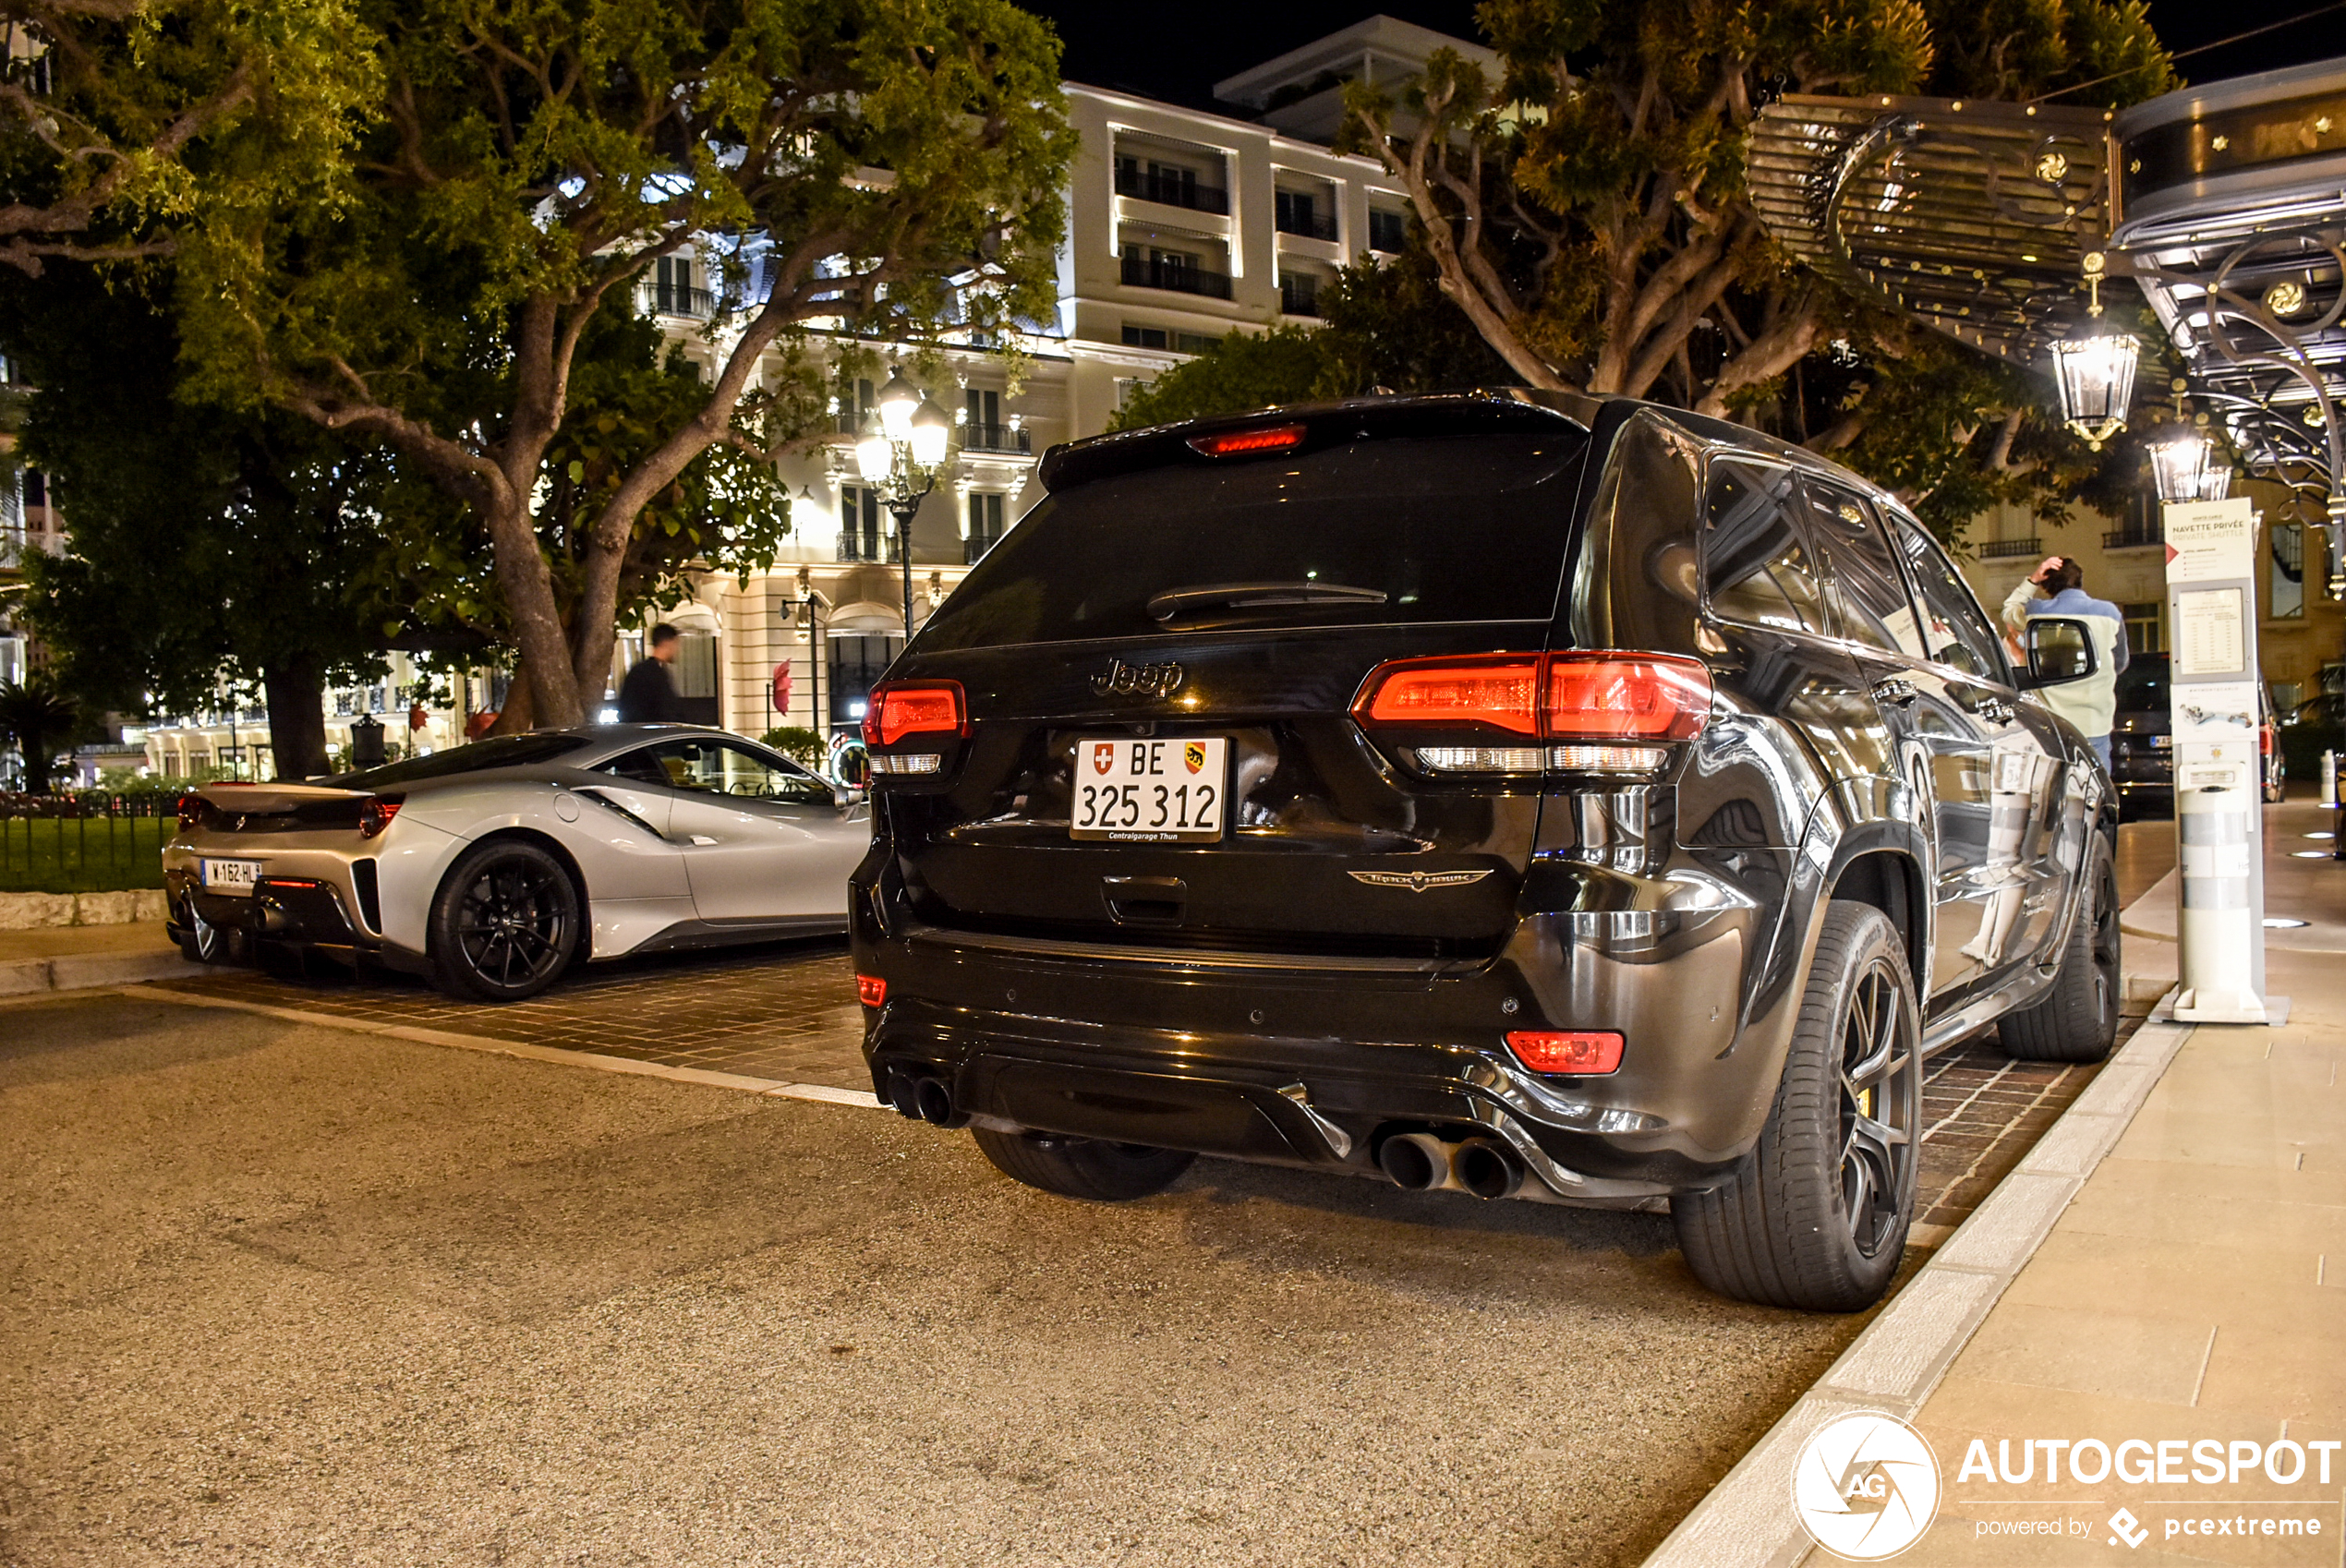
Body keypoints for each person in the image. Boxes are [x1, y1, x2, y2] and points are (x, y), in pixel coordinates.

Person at [2002, 556, 2128, 767]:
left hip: (2052, 723)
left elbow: (2009, 610)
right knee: (2096, 788)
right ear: (2079, 580)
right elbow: (2120, 661)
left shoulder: (2036, 612)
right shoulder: (2110, 613)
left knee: (2054, 787)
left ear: (2047, 585)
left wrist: (2033, 578)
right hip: (2096, 721)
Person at [617, 623, 684, 723]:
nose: (677, 649)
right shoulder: (653, 674)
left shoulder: (641, 670)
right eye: (676, 643)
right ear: (668, 643)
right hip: (653, 734)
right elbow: (665, 711)